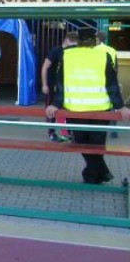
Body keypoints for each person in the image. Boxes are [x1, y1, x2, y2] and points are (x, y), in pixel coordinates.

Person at [46, 28, 130, 184]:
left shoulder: (66, 55)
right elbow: (111, 84)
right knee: (96, 145)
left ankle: (91, 177)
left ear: (78, 41)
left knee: (82, 143)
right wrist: (121, 106)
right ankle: (100, 173)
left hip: (75, 110)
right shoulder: (104, 55)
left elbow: (60, 82)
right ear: (94, 41)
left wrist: (56, 104)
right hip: (100, 110)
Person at [41, 32, 78, 142]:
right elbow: (44, 67)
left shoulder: (72, 52)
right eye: (74, 43)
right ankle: (51, 133)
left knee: (68, 109)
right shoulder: (56, 51)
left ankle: (69, 133)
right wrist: (44, 84)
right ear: (67, 40)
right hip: (53, 86)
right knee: (51, 110)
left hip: (66, 87)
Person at [96, 31, 119, 138]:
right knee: (112, 105)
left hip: (97, 81)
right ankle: (113, 131)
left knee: (98, 105)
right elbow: (116, 68)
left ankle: (98, 128)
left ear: (97, 39)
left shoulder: (93, 50)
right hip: (110, 80)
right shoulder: (112, 50)